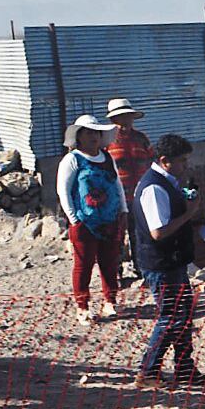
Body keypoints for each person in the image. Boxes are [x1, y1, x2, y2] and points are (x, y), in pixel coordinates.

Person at [132, 134, 205, 389]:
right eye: (182, 160)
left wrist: (193, 216)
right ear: (165, 160)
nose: (185, 165)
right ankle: (148, 372)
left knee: (184, 315)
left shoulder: (168, 183)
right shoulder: (154, 188)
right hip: (162, 264)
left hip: (174, 261)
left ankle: (185, 369)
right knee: (171, 317)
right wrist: (189, 214)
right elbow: (158, 232)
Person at [58, 114, 128, 326]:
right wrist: (74, 220)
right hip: (85, 222)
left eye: (96, 132)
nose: (93, 137)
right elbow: (64, 191)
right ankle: (82, 307)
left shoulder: (107, 158)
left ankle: (110, 301)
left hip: (110, 220)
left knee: (109, 263)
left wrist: (123, 210)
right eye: (88, 133)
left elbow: (117, 185)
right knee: (84, 265)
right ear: (78, 136)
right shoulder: (72, 160)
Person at [105, 97, 153, 277]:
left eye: (128, 116)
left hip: (139, 196)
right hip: (116, 198)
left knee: (140, 234)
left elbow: (151, 161)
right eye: (121, 117)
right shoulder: (107, 142)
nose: (125, 121)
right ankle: (115, 273)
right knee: (116, 236)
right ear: (113, 120)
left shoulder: (141, 139)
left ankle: (142, 269)